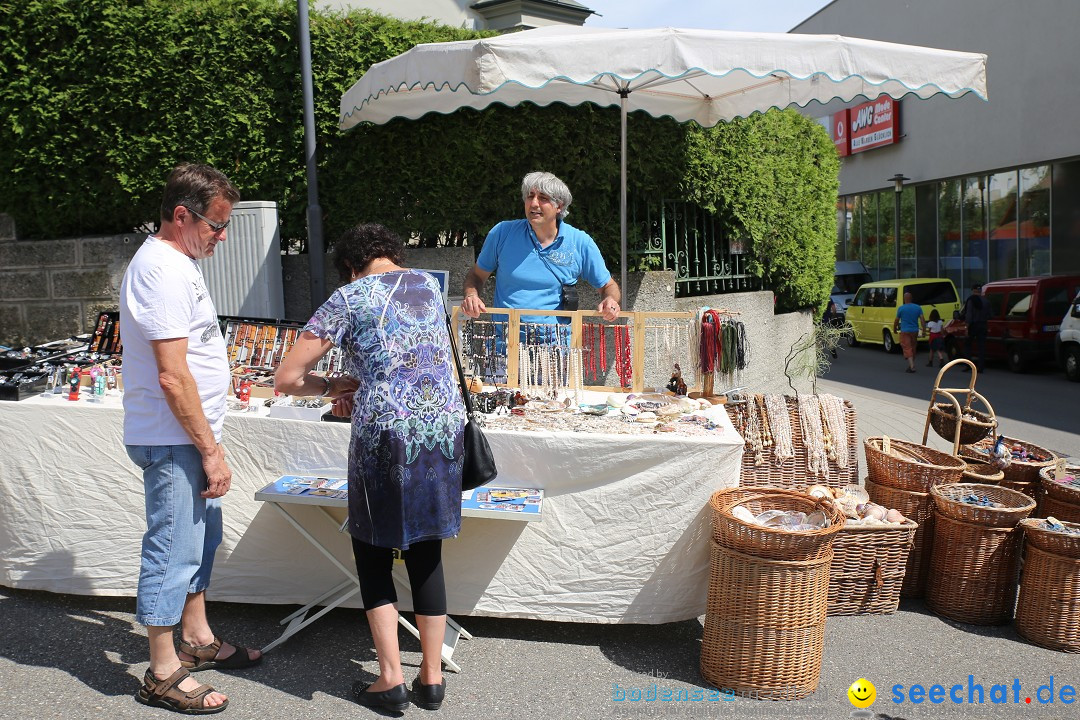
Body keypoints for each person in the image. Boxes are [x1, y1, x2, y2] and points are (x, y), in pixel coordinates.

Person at [275, 223, 463, 713]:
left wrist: (334, 386)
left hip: (385, 439)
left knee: (374, 555)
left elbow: (288, 378)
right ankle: (432, 677)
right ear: (392, 254)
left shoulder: (348, 296)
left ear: (351, 265)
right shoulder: (428, 286)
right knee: (426, 552)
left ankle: (390, 680)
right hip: (440, 434)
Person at [120, 163, 261, 715]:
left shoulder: (176, 261)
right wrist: (208, 448)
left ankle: (197, 638)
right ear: (182, 216)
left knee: (199, 542)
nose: (221, 238)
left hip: (186, 433)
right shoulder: (162, 269)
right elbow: (172, 375)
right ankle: (161, 670)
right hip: (175, 437)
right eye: (216, 226)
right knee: (173, 546)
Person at [462, 171, 622, 326]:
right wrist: (471, 295)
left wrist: (610, 300)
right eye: (530, 196)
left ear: (559, 206)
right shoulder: (502, 233)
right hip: (506, 345)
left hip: (556, 348)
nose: (533, 203)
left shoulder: (580, 242)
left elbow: (609, 286)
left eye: (543, 198)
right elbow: (476, 275)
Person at [893, 291, 926, 373]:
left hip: (905, 331)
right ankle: (911, 364)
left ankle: (912, 366)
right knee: (913, 347)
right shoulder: (918, 307)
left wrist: (894, 329)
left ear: (904, 299)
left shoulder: (901, 308)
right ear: (911, 299)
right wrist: (924, 330)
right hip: (915, 331)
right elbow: (922, 320)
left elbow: (896, 320)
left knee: (907, 347)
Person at [963, 283, 989, 371]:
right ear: (980, 290)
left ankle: (968, 365)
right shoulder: (986, 301)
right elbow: (990, 314)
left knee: (967, 345)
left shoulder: (971, 300)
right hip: (983, 324)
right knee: (981, 346)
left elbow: (969, 315)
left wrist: (966, 327)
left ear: (973, 290)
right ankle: (981, 367)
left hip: (973, 325)